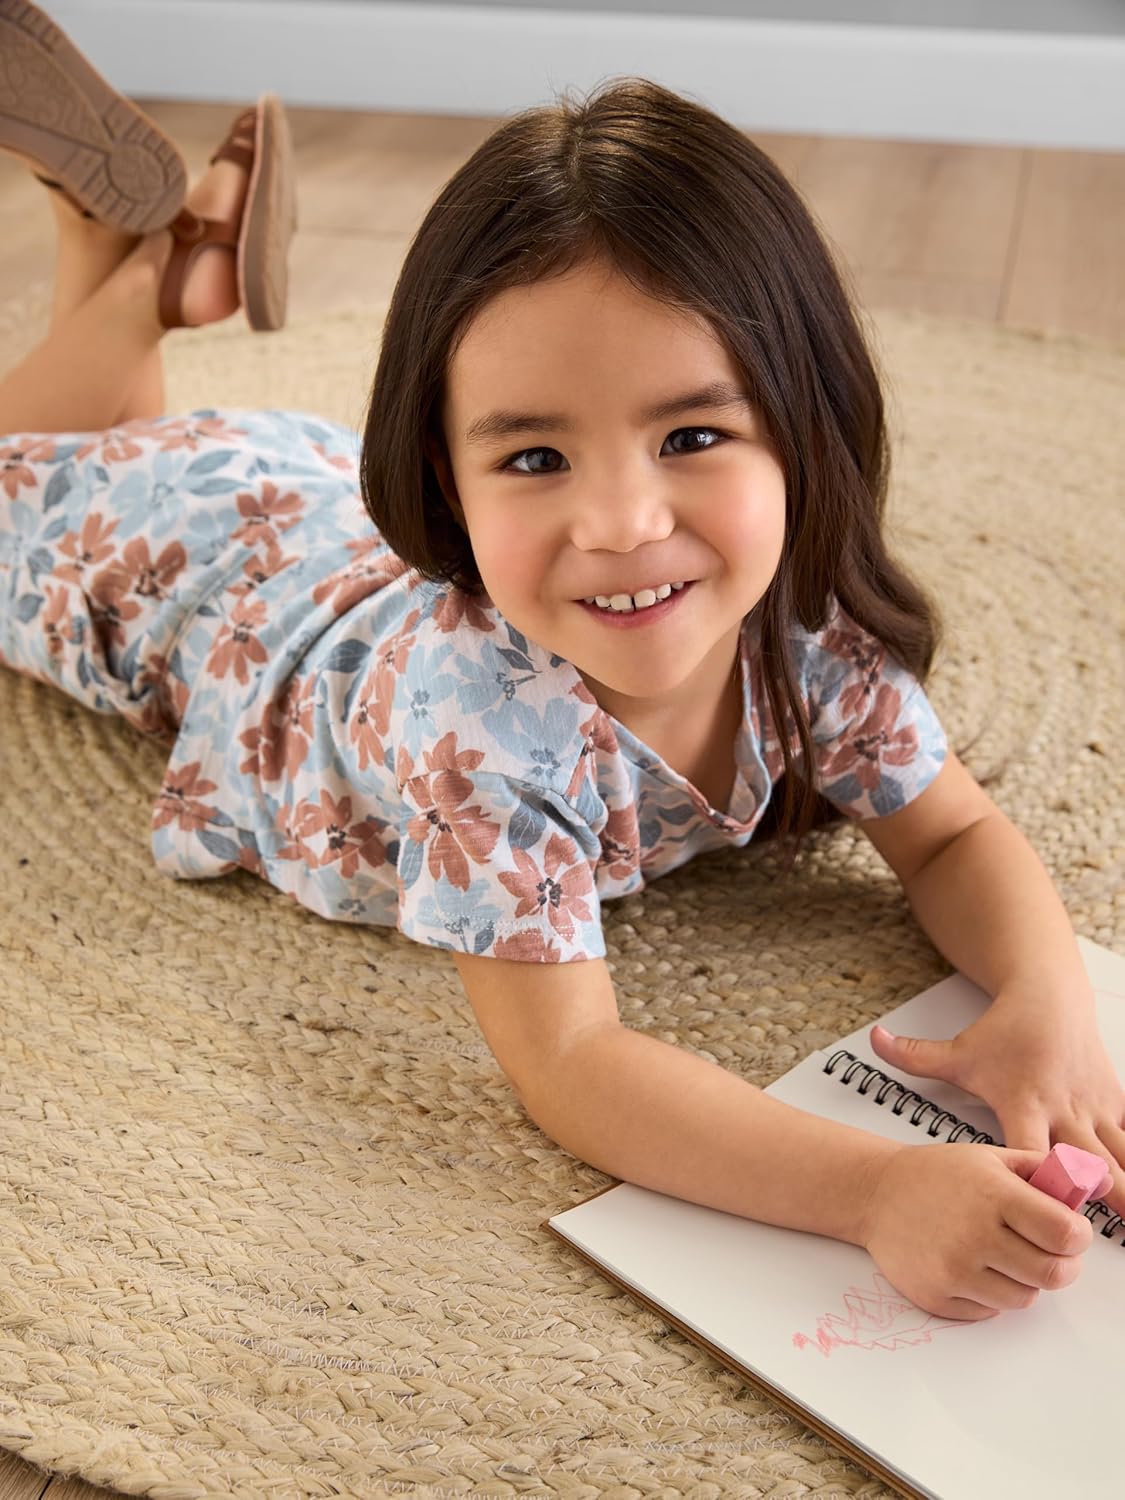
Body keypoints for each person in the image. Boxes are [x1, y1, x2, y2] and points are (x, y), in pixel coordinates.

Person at [2, 0, 1121, 1327]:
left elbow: (952, 838)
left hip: (270, 516)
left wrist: (1046, 993)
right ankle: (137, 268)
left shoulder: (811, 640)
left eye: (691, 436)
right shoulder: (480, 736)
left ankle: (128, 249)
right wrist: (875, 1190)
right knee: (31, 489)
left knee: (83, 456)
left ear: (800, 424)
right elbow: (575, 1065)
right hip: (213, 584)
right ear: (446, 479)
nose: (620, 526)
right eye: (534, 458)